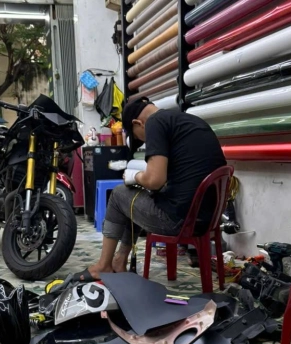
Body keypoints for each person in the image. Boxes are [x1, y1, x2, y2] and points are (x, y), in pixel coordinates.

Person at [73, 96, 226, 282]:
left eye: (139, 137)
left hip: (179, 220)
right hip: (208, 219)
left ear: (138, 123)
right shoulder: (189, 120)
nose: (144, 142)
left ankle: (104, 266)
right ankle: (119, 261)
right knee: (138, 197)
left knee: (119, 194)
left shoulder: (154, 122)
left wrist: (135, 176)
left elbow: (154, 180)